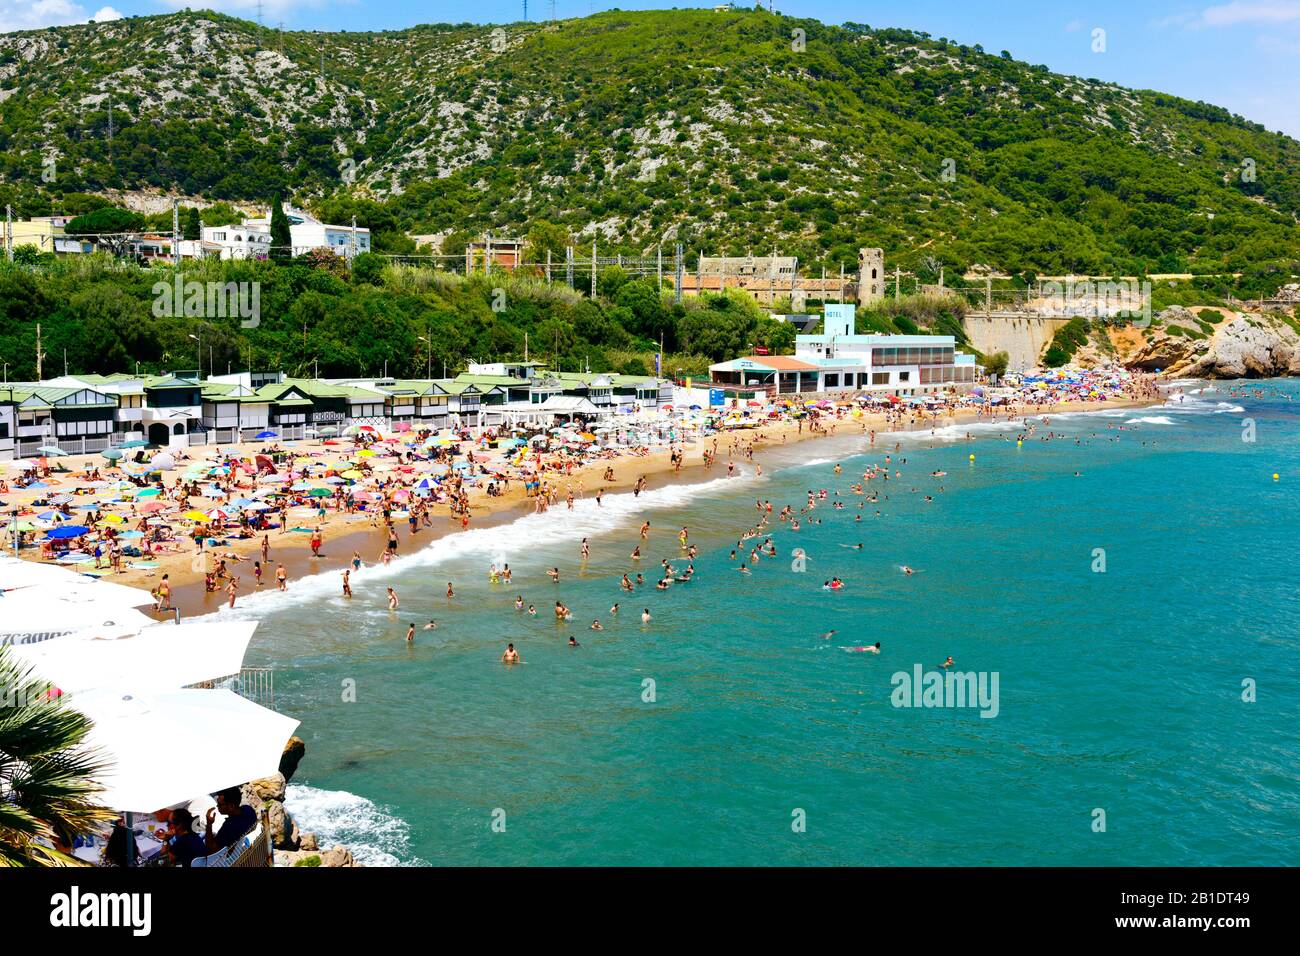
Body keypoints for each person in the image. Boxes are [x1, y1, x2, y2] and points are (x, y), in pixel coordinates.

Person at [205, 787, 257, 853]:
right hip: (247, 849)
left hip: (228, 860)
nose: (217, 806)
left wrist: (209, 824)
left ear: (231, 806)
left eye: (220, 804)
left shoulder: (229, 827)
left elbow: (211, 848)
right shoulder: (248, 809)